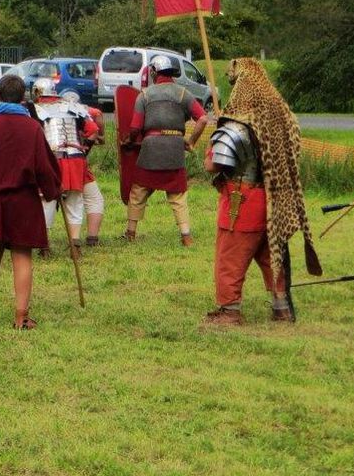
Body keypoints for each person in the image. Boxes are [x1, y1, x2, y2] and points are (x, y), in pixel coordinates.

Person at [202, 58, 319, 325]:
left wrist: (216, 137)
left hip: (241, 200)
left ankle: (229, 312)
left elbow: (212, 165)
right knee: (271, 255)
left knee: (230, 257)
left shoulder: (237, 127)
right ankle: (282, 308)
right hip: (274, 198)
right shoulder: (281, 120)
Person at [0, 74, 62, 329]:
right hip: (23, 201)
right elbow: (45, 168)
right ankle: (21, 318)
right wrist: (54, 190)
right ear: (23, 98)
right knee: (22, 256)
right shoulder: (32, 128)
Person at [123, 54, 208, 246]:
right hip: (175, 148)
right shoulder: (182, 93)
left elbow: (136, 128)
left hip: (151, 148)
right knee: (178, 195)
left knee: (138, 191)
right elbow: (203, 118)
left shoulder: (144, 95)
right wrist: (191, 141)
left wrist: (129, 141)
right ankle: (186, 236)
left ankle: (130, 233)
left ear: (154, 72)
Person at [50, 89, 103, 249]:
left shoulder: (46, 110)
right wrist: (85, 150)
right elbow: (95, 126)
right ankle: (89, 238)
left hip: (53, 160)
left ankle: (44, 245)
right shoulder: (82, 111)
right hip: (76, 162)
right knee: (88, 199)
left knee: (48, 201)